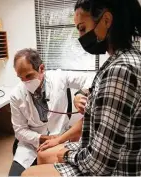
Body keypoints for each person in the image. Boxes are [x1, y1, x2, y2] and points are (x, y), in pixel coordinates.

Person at [22, 0, 141, 176]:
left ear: (107, 20)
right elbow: (93, 89)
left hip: (115, 167)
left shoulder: (119, 71)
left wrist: (67, 154)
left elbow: (99, 165)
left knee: (28, 174)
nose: (81, 37)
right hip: (98, 147)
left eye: (83, 28)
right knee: (43, 153)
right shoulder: (122, 59)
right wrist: (79, 94)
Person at [8, 48, 94, 176]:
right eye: (21, 78)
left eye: (29, 76)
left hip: (60, 139)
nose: (26, 82)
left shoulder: (59, 77)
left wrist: (80, 94)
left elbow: (92, 78)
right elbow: (19, 131)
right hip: (31, 145)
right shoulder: (16, 95)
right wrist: (44, 138)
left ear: (41, 69)